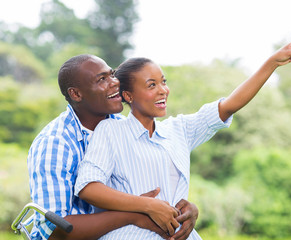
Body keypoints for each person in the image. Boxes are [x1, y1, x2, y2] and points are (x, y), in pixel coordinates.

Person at [74, 28, 291, 240]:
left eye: (163, 82)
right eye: (151, 85)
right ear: (128, 96)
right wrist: (147, 206)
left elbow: (229, 105)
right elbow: (89, 187)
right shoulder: (112, 130)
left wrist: (272, 62)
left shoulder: (179, 130)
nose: (163, 90)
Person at [27, 54, 199, 240]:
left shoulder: (119, 126)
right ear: (76, 94)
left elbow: (147, 195)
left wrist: (181, 210)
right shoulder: (56, 144)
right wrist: (134, 215)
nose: (115, 83)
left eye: (112, 74)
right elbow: (54, 232)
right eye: (102, 79)